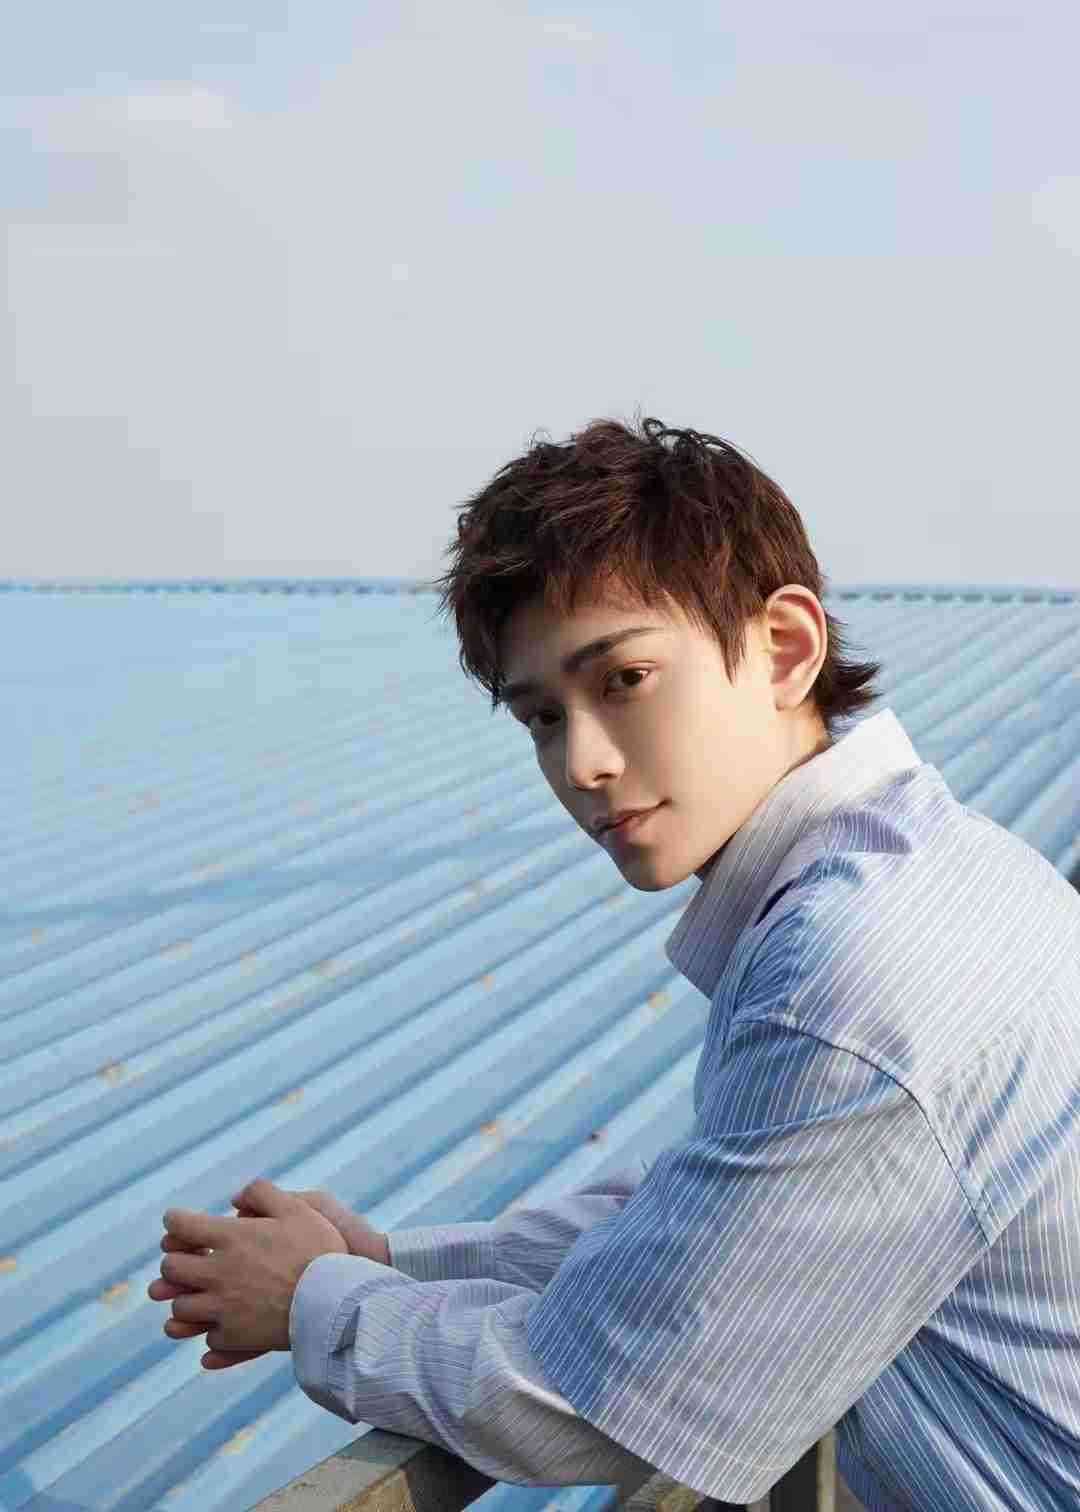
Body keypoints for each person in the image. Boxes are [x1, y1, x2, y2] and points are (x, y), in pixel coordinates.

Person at [151, 418, 1080, 1509]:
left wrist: (315, 1301)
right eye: (542, 717)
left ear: (785, 650)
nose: (583, 762)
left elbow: (609, 1396)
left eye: (627, 679)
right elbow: (713, 1220)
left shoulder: (857, 975)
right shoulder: (943, 867)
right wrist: (394, 1262)